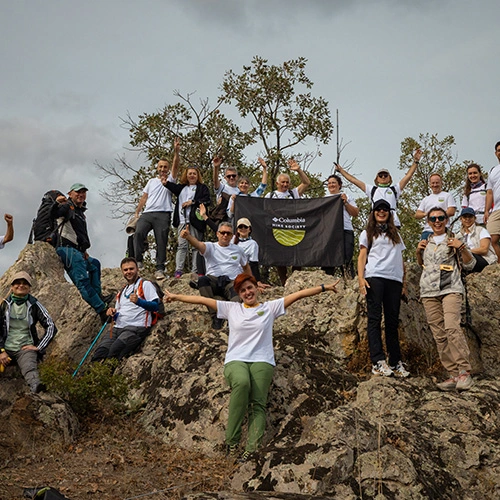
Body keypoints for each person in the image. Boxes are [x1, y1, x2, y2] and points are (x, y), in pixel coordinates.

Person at [164, 273, 339, 462]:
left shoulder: (270, 307)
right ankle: (232, 442)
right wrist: (175, 296)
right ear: (238, 294)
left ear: (257, 288)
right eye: (243, 290)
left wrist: (324, 287)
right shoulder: (231, 308)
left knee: (258, 404)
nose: (248, 292)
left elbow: (297, 295)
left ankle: (251, 450)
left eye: (250, 288)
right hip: (236, 359)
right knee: (241, 383)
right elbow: (202, 299)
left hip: (262, 360)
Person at [416, 207, 475, 391]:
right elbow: (422, 264)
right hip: (428, 292)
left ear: (446, 220)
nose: (437, 221)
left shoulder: (454, 239)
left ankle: (464, 371)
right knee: (439, 335)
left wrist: (461, 247)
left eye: (441, 217)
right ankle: (453, 374)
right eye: (433, 218)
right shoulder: (426, 241)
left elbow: (470, 263)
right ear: (428, 221)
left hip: (450, 288)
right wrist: (418, 252)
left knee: (452, 327)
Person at [358, 199, 409, 378]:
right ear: (373, 212)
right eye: (378, 209)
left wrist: (404, 282)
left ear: (389, 213)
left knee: (392, 322)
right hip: (375, 276)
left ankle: (395, 362)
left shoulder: (396, 234)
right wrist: (360, 278)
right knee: (374, 319)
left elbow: (400, 258)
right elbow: (362, 255)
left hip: (394, 279)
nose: (381, 212)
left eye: (385, 209)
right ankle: (378, 361)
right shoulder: (367, 233)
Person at [55, 184, 111, 323]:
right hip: (67, 250)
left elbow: (79, 234)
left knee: (94, 265)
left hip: (78, 251)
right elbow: (55, 214)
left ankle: (98, 296)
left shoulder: (79, 211)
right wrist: (57, 203)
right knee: (83, 281)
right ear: (70, 193)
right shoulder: (66, 206)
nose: (81, 194)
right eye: (77, 192)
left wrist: (84, 250)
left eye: (83, 192)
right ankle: (102, 310)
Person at [179, 221, 251, 330]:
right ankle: (215, 315)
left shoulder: (238, 250)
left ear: (232, 235)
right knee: (202, 280)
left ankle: (231, 319)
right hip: (214, 280)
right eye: (222, 233)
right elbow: (199, 245)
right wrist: (188, 237)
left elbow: (246, 267)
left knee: (237, 290)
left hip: (230, 281)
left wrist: (253, 283)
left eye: (228, 233)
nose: (225, 235)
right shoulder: (211, 246)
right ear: (217, 234)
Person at [92, 258, 159, 362]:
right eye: (126, 270)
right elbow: (120, 311)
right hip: (117, 328)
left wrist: (139, 302)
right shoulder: (123, 290)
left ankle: (108, 377)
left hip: (136, 327)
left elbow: (155, 306)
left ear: (137, 269)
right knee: (99, 354)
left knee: (114, 353)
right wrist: (113, 313)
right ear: (122, 272)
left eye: (131, 269)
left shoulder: (145, 284)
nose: (128, 272)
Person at [0, 271, 57, 393]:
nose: (21, 285)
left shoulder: (34, 304)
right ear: (12, 287)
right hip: (5, 348)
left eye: (25, 283)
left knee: (30, 368)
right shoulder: (4, 305)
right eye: (17, 283)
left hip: (24, 349)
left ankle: (36, 388)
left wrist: (39, 347)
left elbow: (51, 326)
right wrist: (1, 351)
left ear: (29, 288)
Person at [335, 149, 421, 227]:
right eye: (380, 175)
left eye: (385, 175)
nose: (383, 177)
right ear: (376, 179)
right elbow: (353, 180)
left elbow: (408, 176)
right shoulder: (372, 190)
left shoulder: (395, 189)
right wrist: (341, 171)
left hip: (393, 222)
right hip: (376, 222)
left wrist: (416, 162)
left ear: (389, 178)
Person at [133, 138, 180, 280]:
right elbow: (144, 197)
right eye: (160, 167)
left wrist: (176, 153)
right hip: (148, 213)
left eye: (165, 167)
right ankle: (138, 261)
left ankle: (160, 268)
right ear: (157, 168)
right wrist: (137, 211)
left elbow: (176, 167)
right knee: (138, 232)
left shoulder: (170, 180)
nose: (162, 169)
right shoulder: (151, 181)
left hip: (163, 214)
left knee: (161, 241)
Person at [265, 158, 311, 285]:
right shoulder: (270, 196)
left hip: (293, 229)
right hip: (277, 230)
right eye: (283, 182)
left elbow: (306, 183)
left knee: (297, 256)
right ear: (277, 183)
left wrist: (298, 170)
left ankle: (295, 282)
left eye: (287, 182)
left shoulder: (293, 193)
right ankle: (284, 283)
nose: (285, 185)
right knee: (280, 258)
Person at [163, 166, 211, 278]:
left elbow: (207, 200)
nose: (192, 176)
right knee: (182, 245)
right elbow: (172, 187)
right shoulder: (182, 187)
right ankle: (178, 270)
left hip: (196, 220)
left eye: (194, 173)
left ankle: (195, 270)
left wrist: (193, 202)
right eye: (190, 173)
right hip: (182, 220)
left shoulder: (202, 188)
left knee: (196, 246)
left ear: (198, 175)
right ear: (186, 175)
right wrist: (165, 183)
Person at [322, 174, 359, 277]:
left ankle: (350, 284)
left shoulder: (346, 197)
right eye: (329, 183)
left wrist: (345, 202)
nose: (331, 185)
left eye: (333, 182)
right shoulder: (323, 200)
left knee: (347, 258)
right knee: (328, 260)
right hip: (329, 232)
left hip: (345, 230)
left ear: (339, 185)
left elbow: (355, 213)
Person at [415, 173, 456, 240]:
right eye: (433, 183)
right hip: (428, 231)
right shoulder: (426, 199)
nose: (435, 185)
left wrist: (439, 217)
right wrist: (427, 214)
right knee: (424, 249)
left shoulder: (447, 196)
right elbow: (417, 214)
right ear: (430, 184)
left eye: (437, 183)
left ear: (441, 183)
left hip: (443, 230)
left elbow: (451, 211)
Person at [456, 207, 496, 273]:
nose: (467, 219)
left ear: (474, 218)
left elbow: (484, 249)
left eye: (470, 217)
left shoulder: (481, 230)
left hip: (485, 259)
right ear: (461, 219)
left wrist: (467, 251)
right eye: (465, 217)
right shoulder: (458, 235)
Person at [485, 141, 500, 262]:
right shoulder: (493, 171)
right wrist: (486, 210)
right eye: (499, 150)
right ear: (496, 153)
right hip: (497, 209)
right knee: (490, 239)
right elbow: (489, 192)